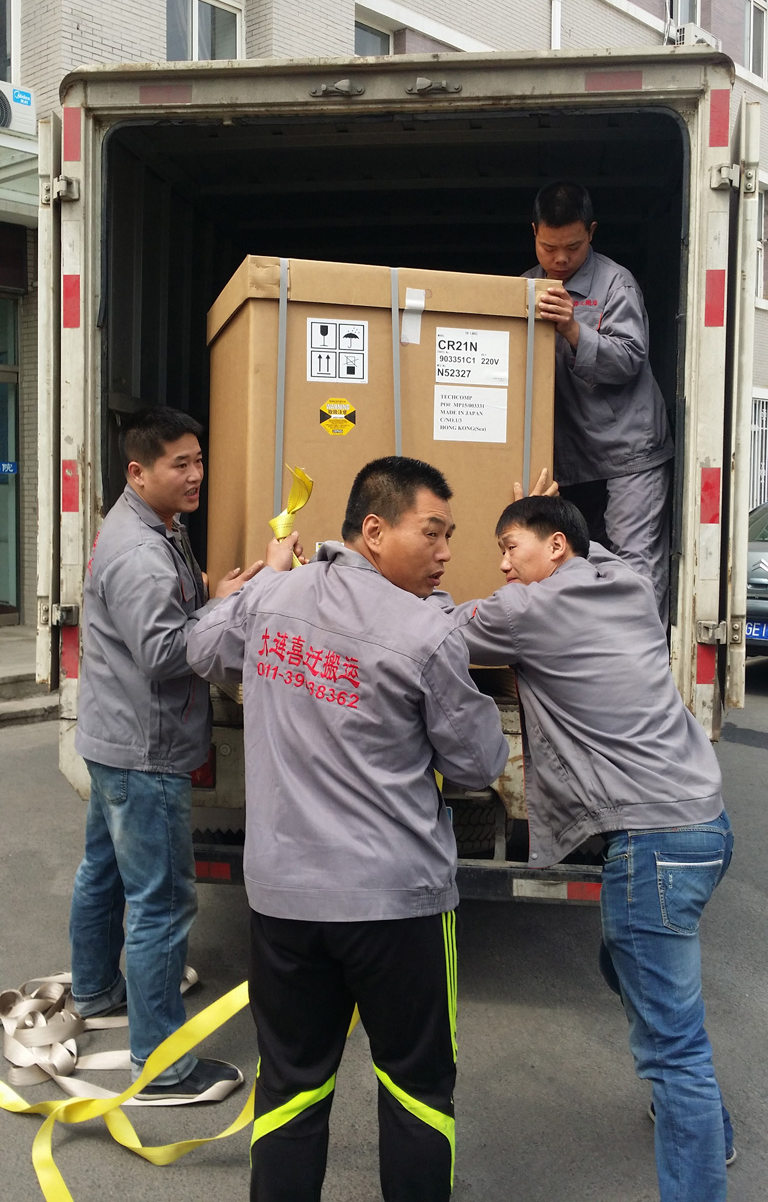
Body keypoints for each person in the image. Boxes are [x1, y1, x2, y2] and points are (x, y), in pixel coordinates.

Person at [187, 455, 509, 1201]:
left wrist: (265, 584)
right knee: (417, 1089)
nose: (445, 552)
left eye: (450, 536)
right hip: (397, 905)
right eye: (432, 532)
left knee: (290, 1088)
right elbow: (477, 761)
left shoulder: (273, 598)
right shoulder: (426, 631)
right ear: (374, 529)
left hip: (284, 899)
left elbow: (202, 648)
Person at [451, 494, 733, 1202]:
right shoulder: (629, 584)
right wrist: (556, 515)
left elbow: (437, 632)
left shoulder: (528, 609)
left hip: (651, 842)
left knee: (674, 1050)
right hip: (706, 825)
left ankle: (699, 1132)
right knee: (628, 966)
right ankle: (701, 1121)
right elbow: (596, 548)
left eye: (510, 546)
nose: (502, 564)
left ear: (556, 547)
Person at [70, 406, 260, 1103]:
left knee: (104, 872)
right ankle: (161, 1066)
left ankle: (95, 990)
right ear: (138, 470)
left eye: (198, 460)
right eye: (180, 464)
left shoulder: (151, 524)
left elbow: (167, 605)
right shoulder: (140, 551)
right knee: (163, 902)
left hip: (114, 735)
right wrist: (233, 612)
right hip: (144, 748)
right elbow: (165, 651)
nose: (195, 474)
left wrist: (211, 591)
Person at [524, 180, 674, 624]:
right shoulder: (525, 288)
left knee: (633, 566)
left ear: (591, 232)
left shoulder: (615, 283)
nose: (560, 259)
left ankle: (641, 657)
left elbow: (628, 359)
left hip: (630, 450)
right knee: (569, 562)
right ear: (534, 232)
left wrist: (573, 329)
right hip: (570, 458)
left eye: (573, 247)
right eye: (549, 247)